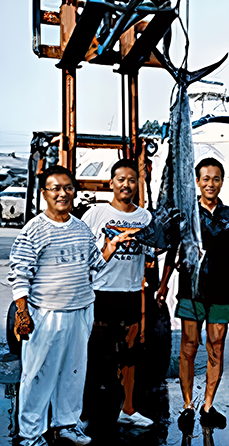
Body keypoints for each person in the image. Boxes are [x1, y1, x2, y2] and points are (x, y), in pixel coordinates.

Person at [8, 165, 132, 446]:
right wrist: (22, 313)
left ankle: (66, 425)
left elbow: (94, 264)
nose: (62, 194)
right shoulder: (33, 230)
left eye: (67, 188)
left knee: (74, 373)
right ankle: (30, 435)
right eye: (55, 188)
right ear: (44, 193)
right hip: (46, 313)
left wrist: (111, 247)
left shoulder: (80, 227)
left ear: (74, 192)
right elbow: (19, 274)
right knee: (38, 375)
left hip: (81, 311)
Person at [157, 157, 229, 433]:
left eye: (216, 179)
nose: (210, 184)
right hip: (190, 290)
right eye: (206, 179)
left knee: (217, 347)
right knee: (189, 347)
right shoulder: (186, 213)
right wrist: (164, 284)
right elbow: (173, 250)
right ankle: (187, 405)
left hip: (222, 290)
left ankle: (207, 406)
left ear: (222, 182)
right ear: (197, 181)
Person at [82, 158, 154, 428]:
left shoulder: (146, 218)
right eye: (121, 179)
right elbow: (82, 252)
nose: (126, 184)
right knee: (94, 357)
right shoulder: (96, 213)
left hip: (131, 294)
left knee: (129, 356)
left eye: (131, 180)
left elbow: (151, 256)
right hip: (101, 293)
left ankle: (128, 409)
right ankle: (84, 414)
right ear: (111, 183)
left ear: (138, 184)